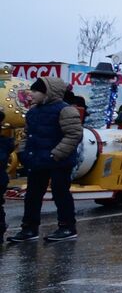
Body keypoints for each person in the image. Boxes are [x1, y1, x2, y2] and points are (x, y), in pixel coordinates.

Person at [9, 77, 83, 243]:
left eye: (36, 91)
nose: (31, 94)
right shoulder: (33, 111)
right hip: (37, 160)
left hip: (59, 161)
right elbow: (28, 134)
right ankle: (29, 228)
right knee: (32, 195)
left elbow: (74, 134)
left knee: (60, 193)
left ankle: (67, 227)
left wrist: (56, 154)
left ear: (48, 92)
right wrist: (23, 152)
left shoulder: (65, 110)